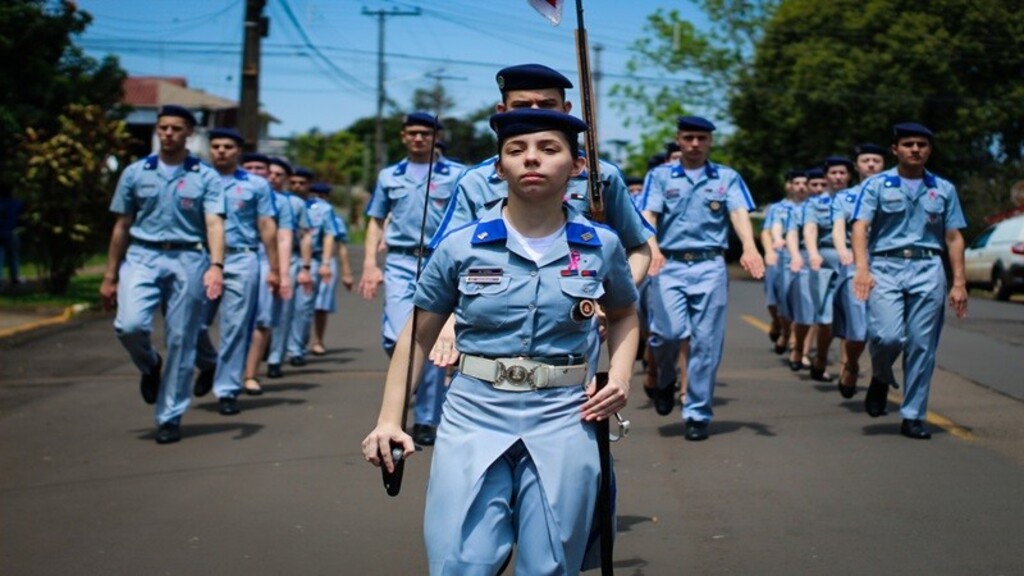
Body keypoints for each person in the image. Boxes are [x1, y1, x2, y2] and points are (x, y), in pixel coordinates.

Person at [362, 108, 639, 575]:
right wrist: (390, 419)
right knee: (462, 560)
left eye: (549, 149)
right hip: (474, 412)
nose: (532, 159)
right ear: (499, 167)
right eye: (517, 150)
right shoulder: (461, 245)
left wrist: (622, 376)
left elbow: (625, 311)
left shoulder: (601, 245)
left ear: (576, 167)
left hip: (564, 414)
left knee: (550, 562)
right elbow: (418, 332)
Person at [99, 105, 225, 444]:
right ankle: (150, 364)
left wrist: (216, 266)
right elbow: (122, 224)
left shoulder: (205, 176)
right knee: (130, 325)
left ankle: (169, 416)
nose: (168, 133)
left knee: (181, 338)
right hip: (142, 254)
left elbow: (214, 222)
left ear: (189, 133)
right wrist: (110, 276)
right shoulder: (136, 172)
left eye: (175, 128)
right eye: (163, 128)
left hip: (189, 256)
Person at [642, 116, 765, 440]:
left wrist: (750, 248)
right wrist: (652, 248)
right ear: (678, 140)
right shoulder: (660, 176)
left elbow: (739, 213)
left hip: (710, 265)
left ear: (710, 142)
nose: (695, 144)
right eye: (688, 138)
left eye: (701, 138)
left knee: (705, 342)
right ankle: (666, 376)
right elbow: (648, 214)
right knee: (666, 333)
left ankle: (697, 412)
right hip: (669, 264)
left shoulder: (726, 177)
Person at [852, 122, 968, 439]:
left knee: (921, 345)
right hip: (886, 266)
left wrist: (958, 282)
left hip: (928, 267)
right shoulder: (877, 185)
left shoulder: (943, 189)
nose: (915, 149)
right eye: (908, 144)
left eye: (921, 144)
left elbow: (954, 236)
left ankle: (913, 414)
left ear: (929, 150)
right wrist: (862, 269)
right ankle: (880, 375)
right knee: (887, 337)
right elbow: (860, 227)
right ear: (895, 150)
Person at [359, 112, 466, 447]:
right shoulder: (390, 175)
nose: (419, 138)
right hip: (401, 261)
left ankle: (426, 419)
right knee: (396, 337)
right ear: (403, 137)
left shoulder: (458, 174)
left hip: (440, 261)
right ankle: (412, 378)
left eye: (425, 133)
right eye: (412, 133)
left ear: (437, 135)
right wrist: (368, 264)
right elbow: (376, 220)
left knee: (432, 340)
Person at [192, 128, 279, 415]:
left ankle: (227, 389)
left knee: (234, 328)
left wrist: (275, 269)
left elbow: (267, 227)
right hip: (200, 258)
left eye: (227, 146)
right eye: (215, 146)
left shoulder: (256, 184)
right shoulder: (196, 179)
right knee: (192, 323)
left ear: (238, 150)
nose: (221, 151)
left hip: (242, 259)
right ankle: (208, 362)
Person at [831, 143, 885, 397]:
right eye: (866, 160)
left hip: (887, 267)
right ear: (857, 166)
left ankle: (880, 378)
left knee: (886, 332)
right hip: (854, 267)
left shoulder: (893, 192)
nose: (872, 164)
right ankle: (851, 364)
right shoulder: (845, 197)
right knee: (859, 330)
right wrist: (843, 248)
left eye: (876, 160)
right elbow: (839, 226)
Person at [242, 155, 296, 396]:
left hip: (265, 260)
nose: (256, 172)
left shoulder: (281, 202)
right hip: (231, 257)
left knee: (262, 319)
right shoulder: (227, 188)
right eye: (249, 167)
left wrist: (282, 274)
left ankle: (249, 375)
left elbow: (284, 238)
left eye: (260, 169)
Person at [802, 156, 853, 381]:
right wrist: (813, 253)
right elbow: (810, 230)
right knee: (826, 318)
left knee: (853, 316)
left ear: (849, 175)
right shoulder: (816, 203)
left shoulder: (859, 198)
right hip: (825, 261)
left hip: (854, 260)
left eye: (842, 173)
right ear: (826, 176)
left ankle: (847, 366)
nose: (838, 177)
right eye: (834, 173)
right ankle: (821, 356)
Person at [266, 159, 313, 378]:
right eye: (270, 173)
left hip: (289, 258)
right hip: (258, 255)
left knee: (283, 312)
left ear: (285, 179)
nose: (273, 177)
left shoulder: (294, 204)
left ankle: (276, 357)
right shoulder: (256, 195)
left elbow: (304, 236)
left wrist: (305, 266)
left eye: (278, 174)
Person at [289, 174, 336, 365]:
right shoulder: (280, 202)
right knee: (281, 308)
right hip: (286, 257)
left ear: (309, 186)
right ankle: (275, 348)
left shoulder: (322, 209)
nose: (297, 186)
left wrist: (325, 263)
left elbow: (329, 235)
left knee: (303, 307)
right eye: (293, 183)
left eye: (301, 183)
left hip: (312, 259)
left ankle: (296, 349)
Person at [306, 182, 354, 355]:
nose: (317, 200)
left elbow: (340, 246)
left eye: (321, 196)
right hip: (302, 259)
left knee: (321, 305)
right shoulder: (301, 209)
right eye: (313, 195)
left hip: (324, 260)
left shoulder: (334, 218)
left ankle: (318, 340)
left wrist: (347, 272)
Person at [784, 167, 825, 372]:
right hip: (805, 262)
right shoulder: (799, 210)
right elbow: (791, 233)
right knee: (804, 312)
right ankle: (797, 345)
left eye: (822, 185)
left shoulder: (840, 204)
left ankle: (808, 352)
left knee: (821, 313)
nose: (818, 189)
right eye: (814, 185)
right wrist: (797, 256)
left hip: (829, 264)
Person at [0, 189, 24, 287]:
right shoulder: (17, 203)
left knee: (1, 255)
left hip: (1, 231)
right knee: (14, 256)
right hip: (13, 231)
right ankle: (15, 277)